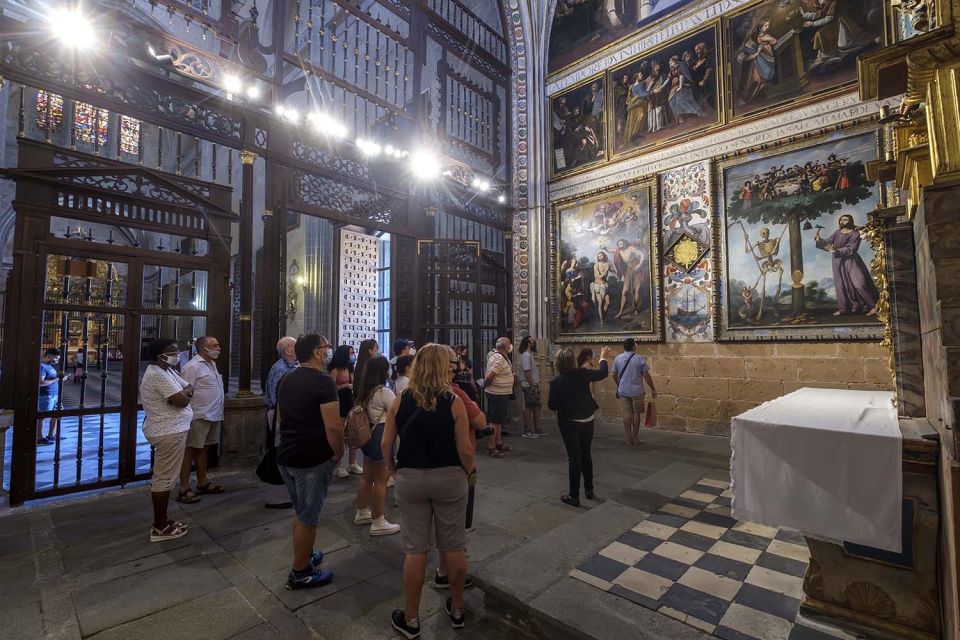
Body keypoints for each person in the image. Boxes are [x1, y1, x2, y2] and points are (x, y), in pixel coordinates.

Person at [382, 344, 475, 638]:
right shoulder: (454, 401)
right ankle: (457, 608)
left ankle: (410, 618)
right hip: (449, 479)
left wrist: (393, 470)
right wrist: (467, 470)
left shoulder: (401, 399)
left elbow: (386, 444)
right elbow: (465, 449)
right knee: (454, 546)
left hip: (410, 478)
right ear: (441, 367)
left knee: (415, 550)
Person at [276, 334, 342, 589]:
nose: (328, 352)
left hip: (288, 454)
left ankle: (304, 554)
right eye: (326, 347)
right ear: (317, 353)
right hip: (311, 458)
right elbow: (334, 426)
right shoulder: (323, 381)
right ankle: (301, 572)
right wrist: (337, 451)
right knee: (308, 517)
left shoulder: (287, 377)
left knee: (300, 511)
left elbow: (282, 417)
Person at [139, 338, 193, 542]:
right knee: (164, 478)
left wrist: (184, 394)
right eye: (173, 351)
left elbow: (188, 387)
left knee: (167, 476)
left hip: (173, 429)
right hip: (168, 431)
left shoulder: (167, 371)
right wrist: (183, 395)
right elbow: (182, 400)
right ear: (160, 354)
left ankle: (164, 521)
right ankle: (160, 527)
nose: (177, 355)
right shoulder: (157, 374)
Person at [549, 346, 613, 507]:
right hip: (587, 419)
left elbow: (552, 405)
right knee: (586, 453)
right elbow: (603, 373)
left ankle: (574, 496)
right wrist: (603, 357)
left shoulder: (556, 382)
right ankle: (589, 489)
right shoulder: (582, 374)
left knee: (574, 458)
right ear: (572, 362)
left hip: (569, 422)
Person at [353, 356, 401, 536]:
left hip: (368, 436)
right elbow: (397, 412)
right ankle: (378, 520)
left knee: (367, 475)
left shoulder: (364, 390)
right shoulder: (384, 392)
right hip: (380, 434)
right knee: (381, 480)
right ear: (383, 371)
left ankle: (362, 510)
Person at [178, 336, 225, 503]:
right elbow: (184, 392)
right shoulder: (192, 367)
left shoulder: (212, 363)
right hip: (198, 414)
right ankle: (183, 487)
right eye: (214, 345)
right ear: (203, 348)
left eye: (218, 344)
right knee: (190, 450)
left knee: (203, 448)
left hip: (212, 413)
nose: (218, 348)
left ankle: (202, 482)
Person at [815, 214, 879, 316]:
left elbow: (852, 248)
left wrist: (835, 250)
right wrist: (820, 240)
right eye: (841, 220)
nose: (842, 222)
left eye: (845, 220)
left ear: (850, 221)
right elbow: (828, 243)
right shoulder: (837, 232)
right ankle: (843, 308)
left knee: (859, 283)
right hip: (837, 261)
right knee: (840, 285)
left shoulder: (855, 234)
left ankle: (873, 306)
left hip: (851, 260)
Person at [264, 336, 298, 509]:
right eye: (296, 346)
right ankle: (279, 493)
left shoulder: (294, 366)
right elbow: (279, 397)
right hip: (280, 414)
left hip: (290, 414)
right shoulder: (280, 369)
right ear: (288, 350)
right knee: (280, 451)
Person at [612, 338, 658, 446]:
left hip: (623, 390)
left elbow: (614, 374)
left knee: (627, 414)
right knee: (636, 414)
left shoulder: (618, 358)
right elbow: (646, 375)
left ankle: (628, 439)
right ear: (634, 346)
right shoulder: (639, 359)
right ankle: (635, 438)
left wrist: (619, 384)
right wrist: (653, 388)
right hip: (637, 391)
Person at [330, 344, 359, 479]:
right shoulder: (335, 369)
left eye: (353, 352)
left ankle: (353, 462)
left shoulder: (351, 368)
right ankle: (338, 465)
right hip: (339, 401)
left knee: (352, 432)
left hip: (350, 401)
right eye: (350, 353)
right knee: (340, 434)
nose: (352, 355)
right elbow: (330, 387)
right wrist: (345, 385)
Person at [482, 337, 514, 458]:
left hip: (501, 393)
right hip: (496, 394)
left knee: (499, 420)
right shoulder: (499, 358)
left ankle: (498, 442)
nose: (511, 346)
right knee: (494, 421)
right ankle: (491, 447)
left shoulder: (500, 356)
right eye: (509, 344)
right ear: (506, 347)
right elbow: (490, 376)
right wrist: (485, 385)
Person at [37, 348, 65, 445]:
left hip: (55, 395)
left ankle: (51, 435)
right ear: (49, 356)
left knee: (57, 414)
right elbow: (41, 383)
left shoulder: (50, 366)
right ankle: (40, 438)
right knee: (42, 417)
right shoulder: (42, 366)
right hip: (46, 395)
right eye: (56, 358)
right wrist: (56, 379)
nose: (57, 361)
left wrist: (60, 379)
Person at [518, 337, 544, 438]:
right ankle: (527, 430)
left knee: (536, 407)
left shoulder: (529, 355)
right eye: (532, 341)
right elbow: (527, 372)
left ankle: (538, 429)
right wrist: (532, 386)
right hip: (529, 386)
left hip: (532, 385)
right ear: (528, 344)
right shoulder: (526, 356)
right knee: (529, 407)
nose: (534, 343)